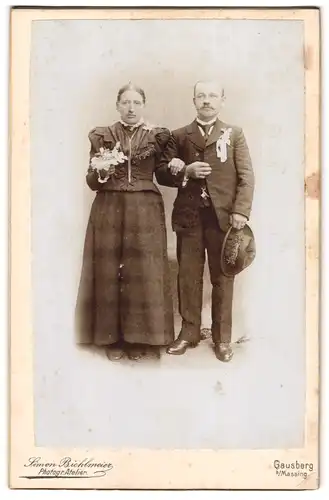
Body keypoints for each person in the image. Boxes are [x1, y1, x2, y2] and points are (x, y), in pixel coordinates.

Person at [156, 80, 255, 362]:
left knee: (223, 276)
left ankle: (222, 338)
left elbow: (247, 177)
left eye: (212, 96)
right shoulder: (179, 136)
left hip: (224, 219)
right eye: (201, 96)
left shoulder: (234, 134)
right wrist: (185, 170)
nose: (207, 101)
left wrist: (241, 211)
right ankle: (189, 333)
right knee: (188, 275)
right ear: (194, 101)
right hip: (189, 218)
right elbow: (162, 173)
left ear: (222, 100)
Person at [75, 83, 175, 361]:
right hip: (109, 207)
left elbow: (164, 174)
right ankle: (113, 338)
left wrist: (180, 169)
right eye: (126, 102)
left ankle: (142, 338)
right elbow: (92, 180)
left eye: (136, 103)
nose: (131, 108)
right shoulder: (102, 135)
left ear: (143, 105)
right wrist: (103, 172)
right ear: (117, 105)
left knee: (143, 269)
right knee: (109, 268)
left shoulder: (157, 135)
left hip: (145, 208)